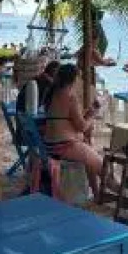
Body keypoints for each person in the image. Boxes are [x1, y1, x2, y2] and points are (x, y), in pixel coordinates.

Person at [42, 64, 104, 198]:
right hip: (64, 146)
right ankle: (120, 191)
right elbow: (82, 127)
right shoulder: (70, 97)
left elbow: (68, 120)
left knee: (90, 157)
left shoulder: (52, 94)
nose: (80, 80)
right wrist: (93, 115)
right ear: (73, 79)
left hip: (49, 146)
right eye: (79, 77)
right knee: (102, 166)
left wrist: (87, 114)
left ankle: (97, 193)